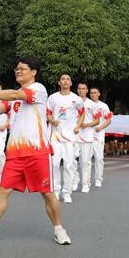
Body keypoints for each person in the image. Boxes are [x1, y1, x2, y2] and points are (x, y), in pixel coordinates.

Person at [0, 57, 71, 246]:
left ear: (33, 72)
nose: (18, 71)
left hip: (37, 152)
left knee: (48, 193)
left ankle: (59, 229)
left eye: (22, 69)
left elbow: (13, 96)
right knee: (2, 191)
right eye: (16, 69)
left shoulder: (38, 90)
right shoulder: (16, 94)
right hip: (15, 153)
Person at [46, 74, 85, 202]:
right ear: (59, 82)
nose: (65, 81)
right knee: (55, 164)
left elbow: (82, 113)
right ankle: (56, 191)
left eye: (68, 79)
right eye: (63, 79)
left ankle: (67, 193)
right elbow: (47, 113)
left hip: (70, 136)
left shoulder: (76, 99)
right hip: (55, 136)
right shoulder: (53, 98)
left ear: (71, 83)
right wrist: (53, 121)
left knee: (69, 165)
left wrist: (78, 126)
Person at [76, 82, 100, 192]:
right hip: (74, 134)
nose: (81, 90)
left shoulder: (93, 105)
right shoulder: (73, 102)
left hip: (87, 135)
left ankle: (85, 183)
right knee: (71, 160)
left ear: (87, 91)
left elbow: (97, 120)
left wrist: (86, 125)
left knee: (85, 161)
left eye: (83, 89)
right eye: (79, 88)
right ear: (77, 90)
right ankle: (74, 180)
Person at [88, 87, 112, 187]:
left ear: (99, 94)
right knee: (86, 159)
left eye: (95, 93)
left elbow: (108, 120)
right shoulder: (86, 104)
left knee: (99, 158)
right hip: (87, 136)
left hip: (98, 136)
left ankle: (98, 179)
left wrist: (100, 127)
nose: (93, 94)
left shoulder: (103, 106)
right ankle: (86, 180)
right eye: (91, 93)